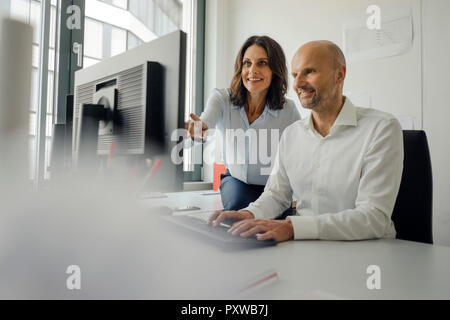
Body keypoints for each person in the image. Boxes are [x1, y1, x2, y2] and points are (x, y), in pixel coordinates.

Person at [208, 40, 404, 242]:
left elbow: (374, 217)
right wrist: (248, 214)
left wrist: (292, 227)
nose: (298, 83)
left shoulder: (381, 128)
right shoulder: (292, 134)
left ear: (339, 75)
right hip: (303, 247)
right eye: (295, 75)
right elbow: (276, 195)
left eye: (309, 72)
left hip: (365, 254)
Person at [186, 35, 301, 214]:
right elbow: (206, 121)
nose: (252, 70)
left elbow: (302, 152)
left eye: (262, 63)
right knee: (239, 209)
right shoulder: (222, 98)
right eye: (247, 63)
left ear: (275, 70)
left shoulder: (289, 110)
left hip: (274, 188)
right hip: (237, 181)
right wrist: (198, 129)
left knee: (273, 219)